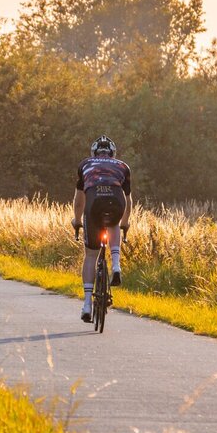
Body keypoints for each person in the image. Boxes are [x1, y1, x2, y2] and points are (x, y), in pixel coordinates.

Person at [71, 135, 132, 323]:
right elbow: (128, 200)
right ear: (112, 153)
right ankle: (116, 265)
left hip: (94, 203)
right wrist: (125, 222)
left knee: (90, 255)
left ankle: (87, 304)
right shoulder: (122, 166)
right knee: (113, 221)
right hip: (116, 199)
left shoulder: (85, 164)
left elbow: (79, 200)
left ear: (94, 152)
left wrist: (77, 219)